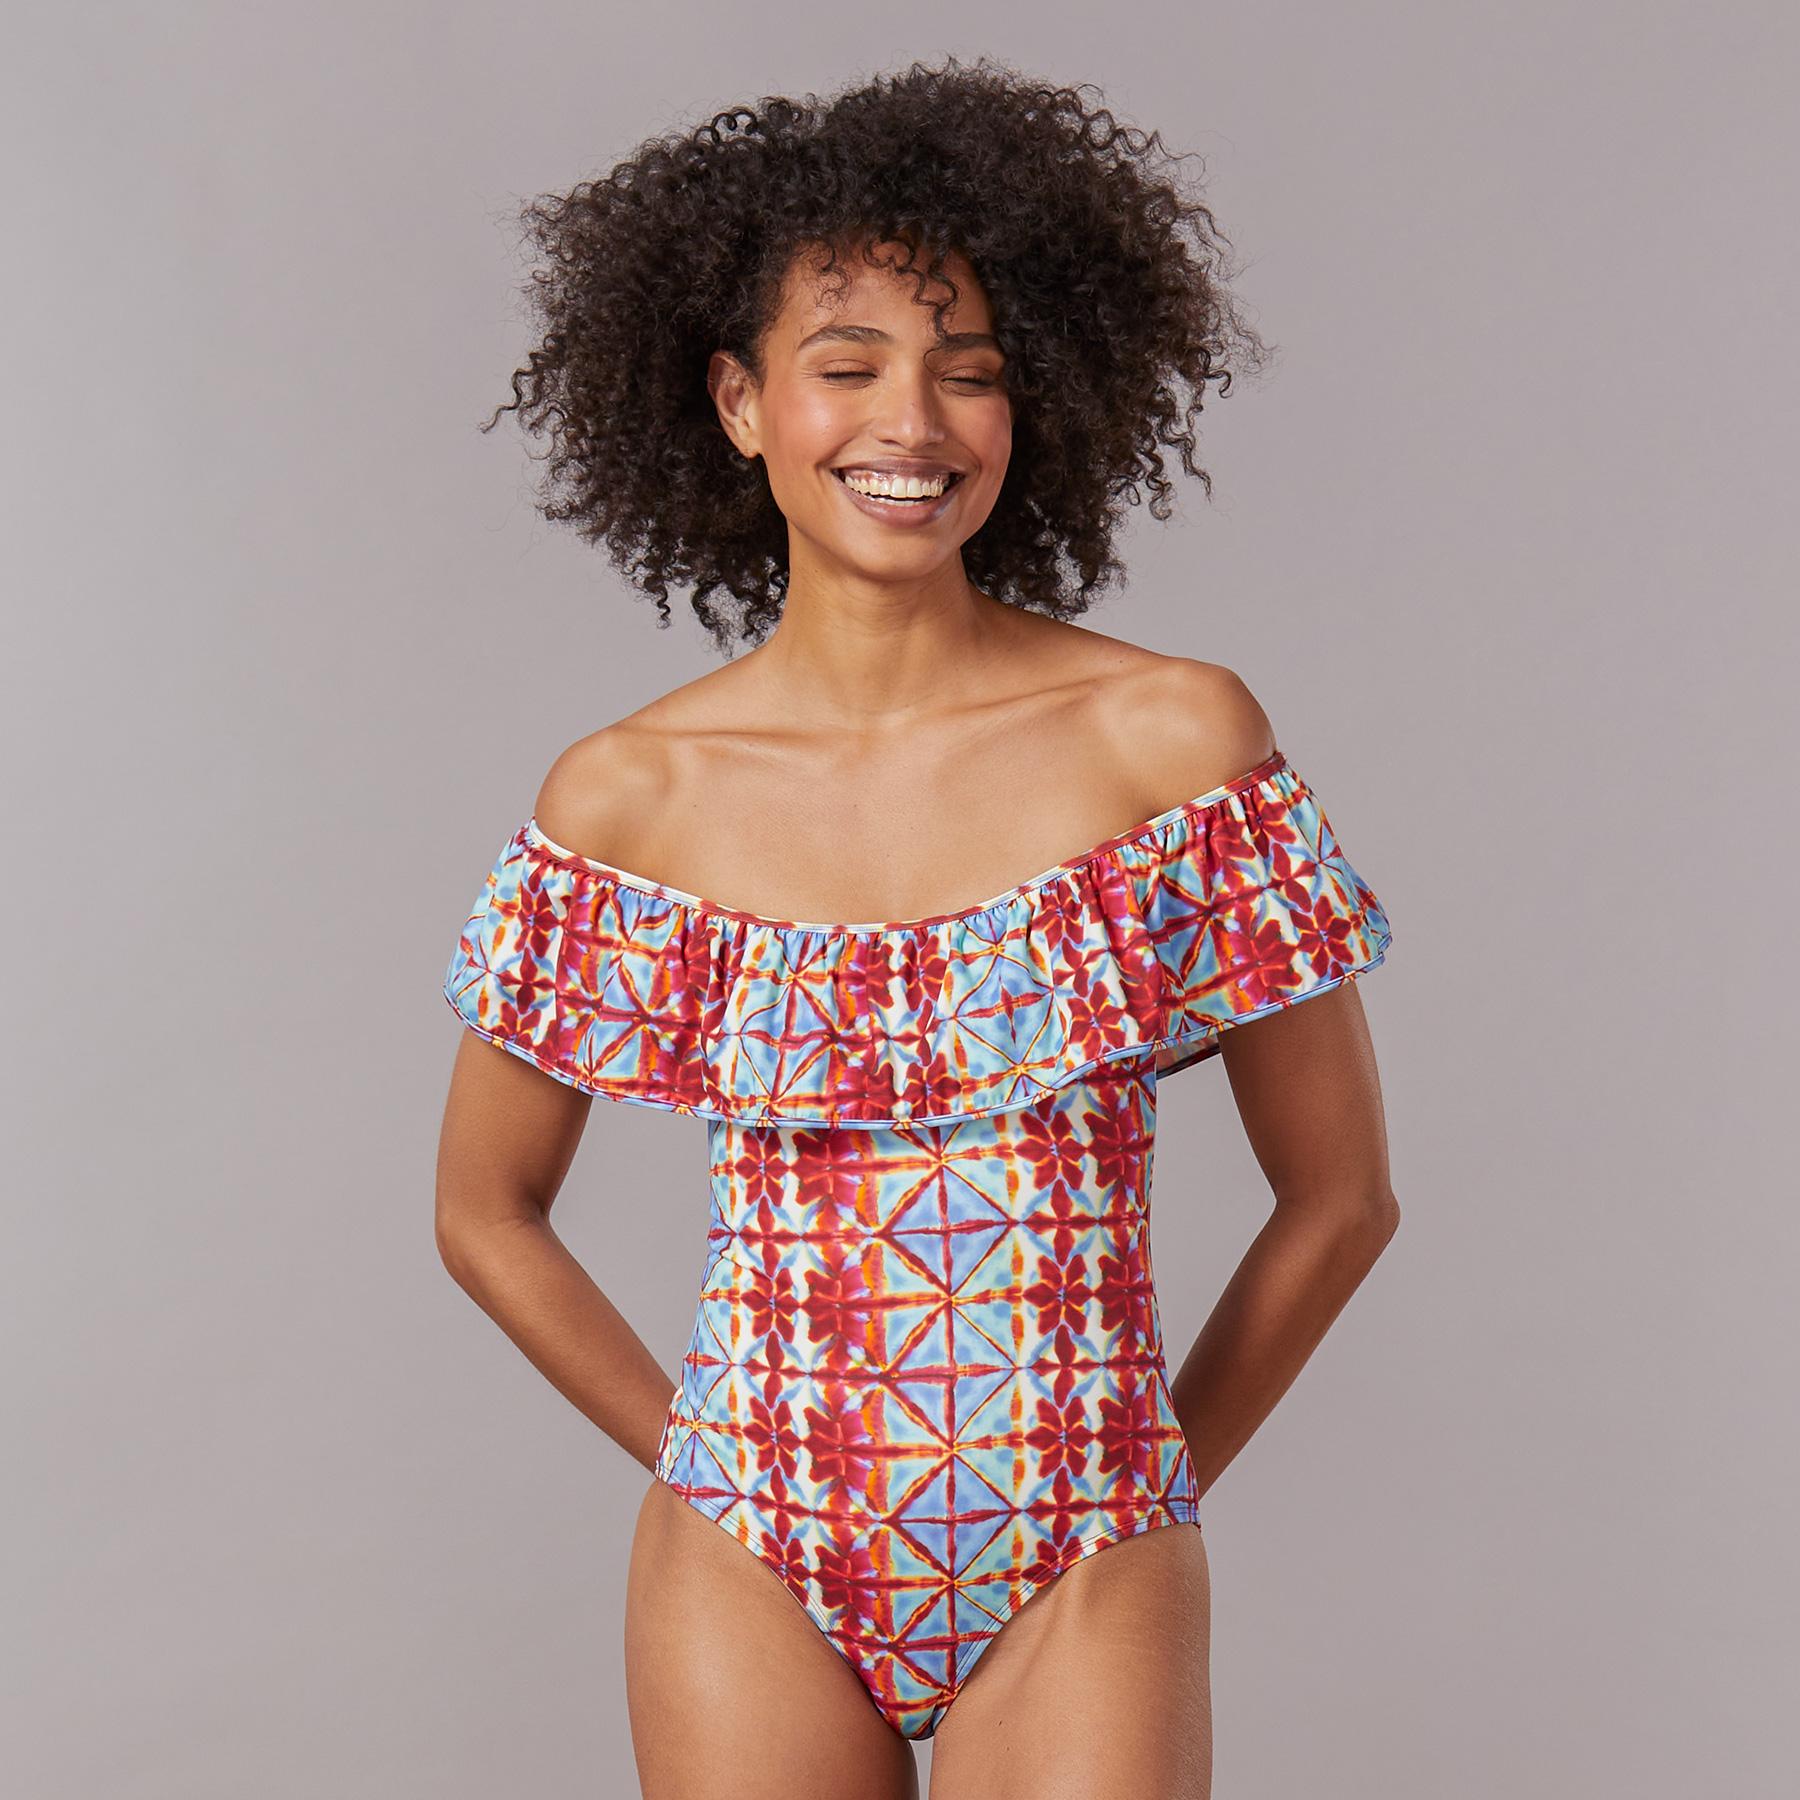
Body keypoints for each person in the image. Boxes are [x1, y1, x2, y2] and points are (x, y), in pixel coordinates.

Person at [435, 57, 1399, 1800]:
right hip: (749, 1548)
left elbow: (1341, 1199)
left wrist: (1141, 1475)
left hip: (1087, 1535)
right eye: (849, 365)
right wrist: (712, 1460)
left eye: (971, 371)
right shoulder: (630, 797)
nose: (917, 424)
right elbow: (482, 1210)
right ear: (740, 402)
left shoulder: (1170, 744)